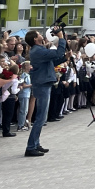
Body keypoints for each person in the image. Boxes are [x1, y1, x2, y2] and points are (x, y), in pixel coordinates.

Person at [23, 28, 67, 158]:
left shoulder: (38, 50)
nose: (41, 36)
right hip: (42, 84)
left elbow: (52, 61)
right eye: (39, 35)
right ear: (35, 39)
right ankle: (31, 146)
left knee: (42, 116)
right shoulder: (38, 50)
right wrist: (61, 38)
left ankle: (35, 143)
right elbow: (57, 53)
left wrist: (65, 57)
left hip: (43, 83)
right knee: (41, 117)